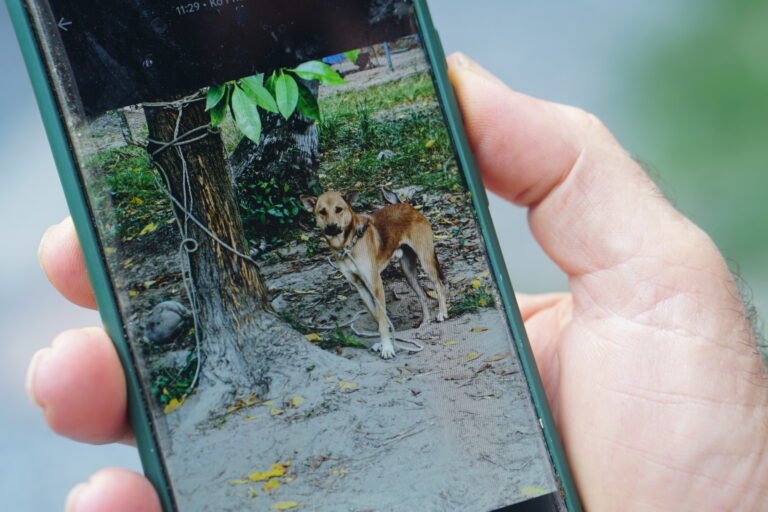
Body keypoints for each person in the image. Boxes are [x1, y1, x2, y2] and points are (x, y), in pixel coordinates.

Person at [26, 53, 768, 512]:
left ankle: (432, 308)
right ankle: (418, 313)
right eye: (323, 214)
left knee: (415, 276)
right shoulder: (334, 240)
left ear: (348, 211)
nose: (329, 220)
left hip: (401, 232)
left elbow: (373, 285)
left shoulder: (379, 227)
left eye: (335, 212)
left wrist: (385, 316)